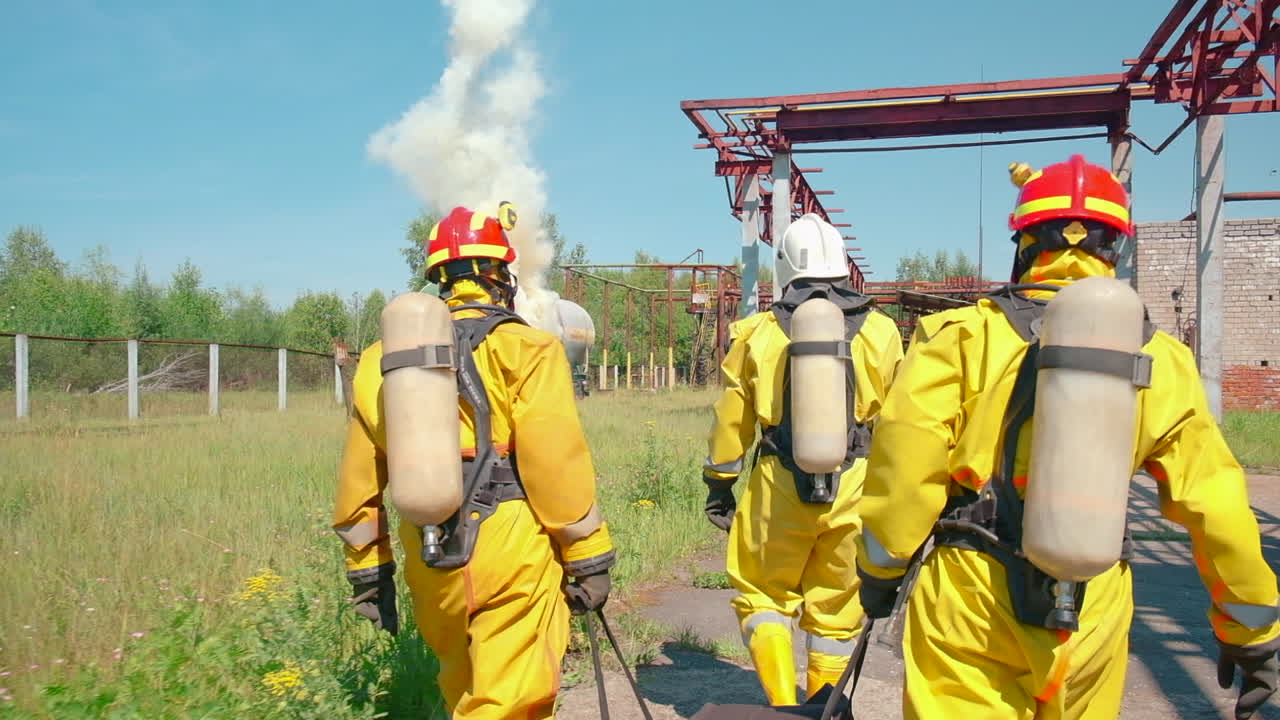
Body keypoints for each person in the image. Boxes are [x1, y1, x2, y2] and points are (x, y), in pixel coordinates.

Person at [855, 154, 1280, 719]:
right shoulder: (1161, 357)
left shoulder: (958, 336)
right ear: (1115, 247)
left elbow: (906, 468)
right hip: (1094, 599)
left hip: (973, 591)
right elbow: (1215, 501)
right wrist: (1253, 629)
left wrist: (880, 572)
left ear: (1026, 241)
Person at [332, 203, 616, 719]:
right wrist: (589, 555)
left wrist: (369, 571)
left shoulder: (380, 360)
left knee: (462, 687)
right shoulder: (528, 348)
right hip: (509, 546)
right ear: (501, 275)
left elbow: (360, 479)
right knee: (511, 702)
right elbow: (555, 466)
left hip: (427, 547)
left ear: (438, 277)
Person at [702, 213, 905, 705]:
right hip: (854, 481)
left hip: (779, 481)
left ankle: (783, 706)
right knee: (837, 610)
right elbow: (901, 423)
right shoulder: (882, 331)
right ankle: (825, 705)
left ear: (785, 266)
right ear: (841, 265)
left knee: (762, 594)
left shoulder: (757, 332)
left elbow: (733, 418)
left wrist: (720, 482)